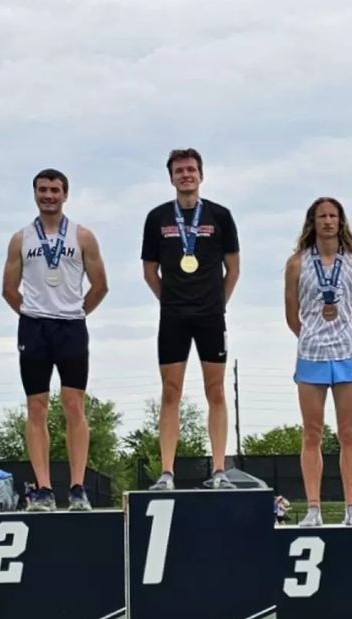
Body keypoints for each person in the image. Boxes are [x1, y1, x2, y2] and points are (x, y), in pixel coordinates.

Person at [2, 169, 109, 512]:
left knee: (74, 405)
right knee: (36, 407)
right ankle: (44, 490)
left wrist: (75, 312)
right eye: (43, 190)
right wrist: (32, 313)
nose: (48, 195)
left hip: (71, 327)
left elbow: (100, 285)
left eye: (55, 190)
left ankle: (77, 488)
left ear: (66, 194)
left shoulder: (83, 236)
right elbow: (8, 289)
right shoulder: (20, 238)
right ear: (35, 193)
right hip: (34, 328)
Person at [141, 148, 240, 490]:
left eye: (191, 169)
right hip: (173, 318)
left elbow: (233, 268)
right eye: (179, 170)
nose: (186, 175)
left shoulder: (220, 216)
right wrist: (170, 301)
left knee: (216, 390)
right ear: (171, 177)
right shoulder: (157, 218)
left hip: (211, 317)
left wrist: (217, 304)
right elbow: (149, 272)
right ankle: (167, 472)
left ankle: (219, 470)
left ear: (201, 174)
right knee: (171, 392)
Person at [283, 197, 352, 526]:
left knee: (348, 433)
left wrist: (345, 332)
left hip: (346, 353)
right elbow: (291, 314)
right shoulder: (297, 263)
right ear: (313, 222)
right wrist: (311, 336)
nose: (328, 221)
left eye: (333, 215)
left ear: (341, 221)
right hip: (311, 354)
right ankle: (313, 509)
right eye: (322, 216)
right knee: (311, 434)